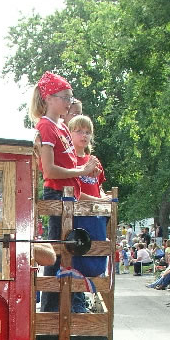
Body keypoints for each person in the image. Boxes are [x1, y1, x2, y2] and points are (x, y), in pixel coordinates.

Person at [29, 71, 101, 312]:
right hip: (58, 196)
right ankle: (50, 310)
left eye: (70, 97)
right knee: (57, 254)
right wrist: (81, 170)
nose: (69, 102)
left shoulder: (60, 126)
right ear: (49, 98)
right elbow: (49, 171)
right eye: (65, 97)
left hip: (69, 196)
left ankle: (67, 305)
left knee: (69, 252)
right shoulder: (46, 127)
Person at [67, 114, 109, 280]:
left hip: (96, 215)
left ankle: (93, 284)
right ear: (69, 134)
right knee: (79, 252)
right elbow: (72, 191)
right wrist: (98, 200)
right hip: (79, 215)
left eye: (87, 132)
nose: (84, 135)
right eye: (79, 131)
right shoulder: (70, 162)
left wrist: (105, 199)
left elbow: (98, 187)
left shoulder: (94, 161)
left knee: (98, 250)